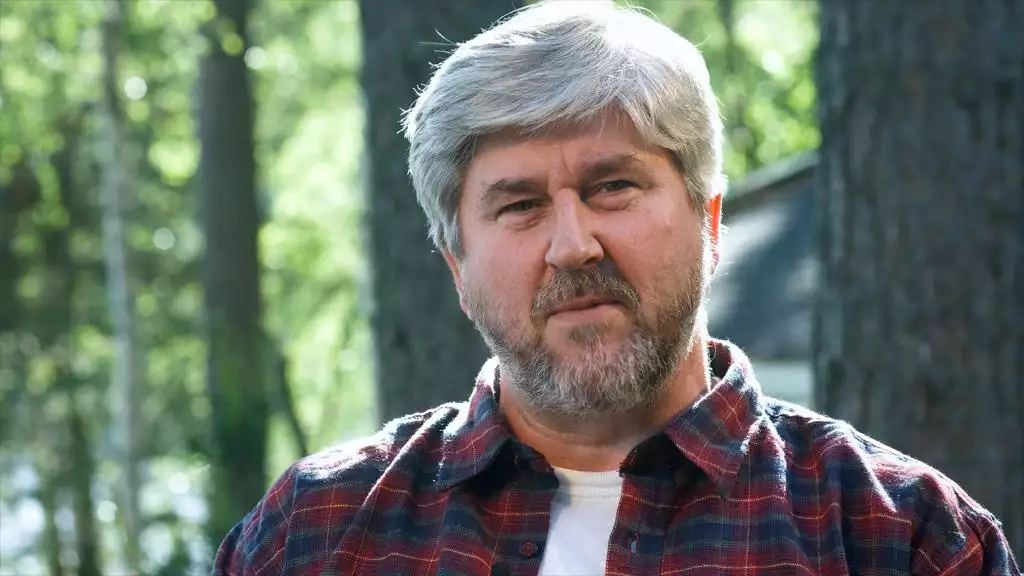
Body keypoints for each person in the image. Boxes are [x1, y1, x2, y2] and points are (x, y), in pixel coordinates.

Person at [213, 2, 1020, 574]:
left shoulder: (902, 538)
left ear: (709, 222)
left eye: (613, 187)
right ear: (458, 269)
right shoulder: (314, 535)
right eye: (520, 206)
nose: (573, 245)